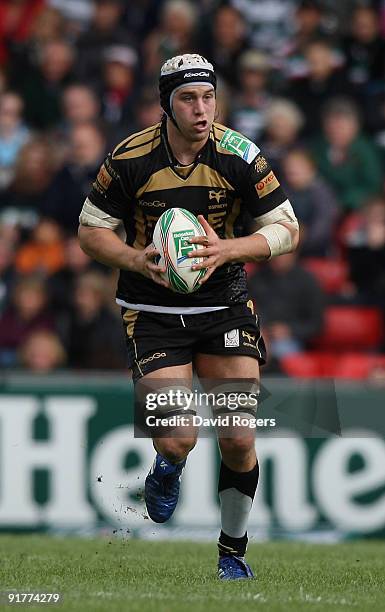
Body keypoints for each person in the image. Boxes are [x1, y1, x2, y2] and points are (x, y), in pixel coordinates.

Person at [78, 53, 299, 580]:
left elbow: (288, 229)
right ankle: (169, 464)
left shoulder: (240, 155)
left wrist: (229, 249)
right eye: (187, 98)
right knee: (177, 436)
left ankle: (232, 552)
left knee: (239, 436)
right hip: (152, 311)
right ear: (165, 105)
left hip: (223, 307)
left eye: (208, 97)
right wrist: (135, 258)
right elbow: (89, 231)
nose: (201, 109)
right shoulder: (129, 158)